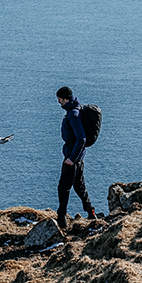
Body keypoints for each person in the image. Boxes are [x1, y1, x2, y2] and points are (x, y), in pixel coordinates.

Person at [55, 86, 98, 230]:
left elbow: (81, 138)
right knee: (79, 186)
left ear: (66, 99)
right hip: (78, 158)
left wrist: (71, 159)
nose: (59, 102)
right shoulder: (75, 109)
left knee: (63, 188)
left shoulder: (73, 114)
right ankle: (91, 211)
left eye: (60, 99)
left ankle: (61, 218)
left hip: (72, 158)